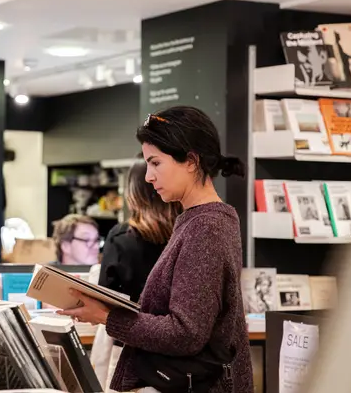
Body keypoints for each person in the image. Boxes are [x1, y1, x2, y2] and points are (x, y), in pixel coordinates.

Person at [58, 106, 254, 393]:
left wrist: (106, 317)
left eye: (156, 163)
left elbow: (185, 334)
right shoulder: (197, 220)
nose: (149, 176)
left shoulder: (206, 227)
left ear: (190, 160)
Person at [92, 160, 181, 391]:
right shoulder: (187, 233)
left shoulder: (122, 236)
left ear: (133, 193)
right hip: (180, 356)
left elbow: (105, 296)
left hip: (131, 348)